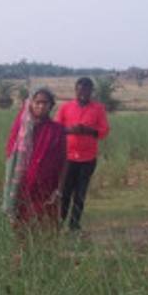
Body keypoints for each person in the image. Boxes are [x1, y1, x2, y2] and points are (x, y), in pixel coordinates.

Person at [2, 87, 68, 227]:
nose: (41, 106)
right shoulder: (21, 131)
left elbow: (63, 161)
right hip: (22, 188)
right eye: (37, 102)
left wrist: (59, 191)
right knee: (21, 231)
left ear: (51, 106)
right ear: (30, 104)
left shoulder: (57, 130)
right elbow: (11, 159)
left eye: (45, 103)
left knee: (46, 231)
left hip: (47, 190)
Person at [53, 77, 110, 230]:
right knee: (65, 192)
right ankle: (59, 222)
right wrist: (70, 130)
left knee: (80, 194)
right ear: (75, 91)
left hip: (88, 158)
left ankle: (74, 225)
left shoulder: (98, 109)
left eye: (86, 90)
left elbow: (104, 131)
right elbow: (56, 129)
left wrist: (88, 131)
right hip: (68, 158)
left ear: (91, 91)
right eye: (80, 90)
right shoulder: (65, 107)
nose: (83, 93)